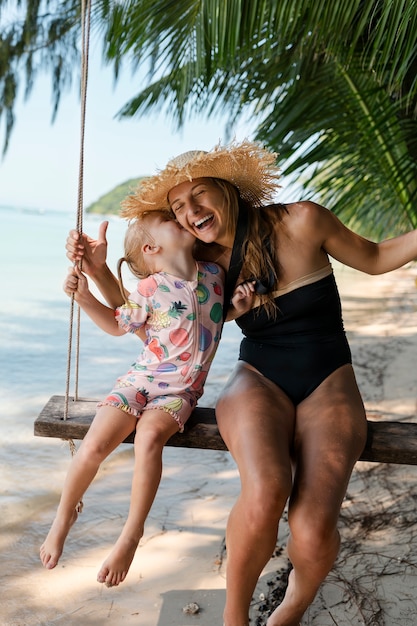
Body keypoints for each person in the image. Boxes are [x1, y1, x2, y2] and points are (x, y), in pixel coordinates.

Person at [65, 141, 417, 626]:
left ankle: (290, 608)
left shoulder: (303, 221)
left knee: (312, 530)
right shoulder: (202, 260)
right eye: (178, 207)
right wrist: (98, 268)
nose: (191, 213)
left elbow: (377, 258)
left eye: (201, 195)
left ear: (229, 191)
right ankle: (234, 619)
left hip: (329, 380)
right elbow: (150, 309)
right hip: (258, 380)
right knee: (267, 489)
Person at [41, 209, 255, 588]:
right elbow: (116, 325)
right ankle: (62, 517)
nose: (181, 221)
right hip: (139, 379)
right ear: (152, 247)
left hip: (180, 391)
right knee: (94, 445)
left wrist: (237, 306)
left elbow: (212, 321)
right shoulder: (151, 288)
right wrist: (85, 297)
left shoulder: (215, 277)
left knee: (148, 438)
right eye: (172, 222)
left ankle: (131, 534)